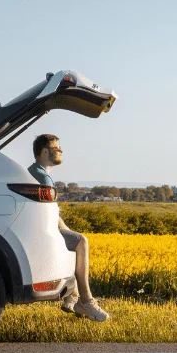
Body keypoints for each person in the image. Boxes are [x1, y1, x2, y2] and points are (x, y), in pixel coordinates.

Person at [27, 134, 110, 322]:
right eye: (57, 148)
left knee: (74, 239)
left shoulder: (36, 172)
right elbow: (50, 215)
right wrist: (71, 233)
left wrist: (67, 230)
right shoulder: (42, 177)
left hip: (37, 229)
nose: (61, 151)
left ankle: (71, 295)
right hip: (40, 232)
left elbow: (53, 213)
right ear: (45, 151)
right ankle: (85, 301)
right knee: (81, 242)